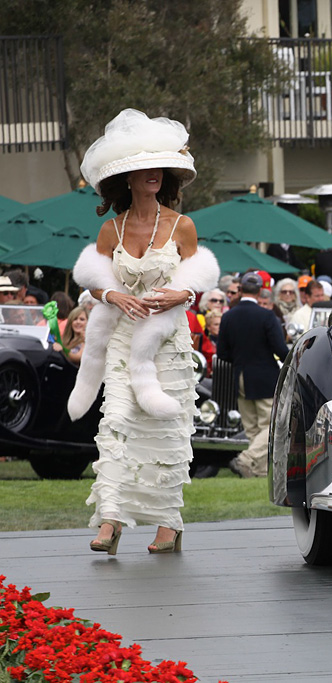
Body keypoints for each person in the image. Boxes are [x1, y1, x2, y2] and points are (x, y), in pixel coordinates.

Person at [70, 108, 220, 555]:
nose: (153, 174)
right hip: (119, 338)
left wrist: (182, 295)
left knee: (166, 432)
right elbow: (96, 279)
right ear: (127, 179)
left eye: (159, 168)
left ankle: (168, 524)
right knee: (116, 421)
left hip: (167, 344)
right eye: (143, 169)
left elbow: (197, 280)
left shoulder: (182, 226)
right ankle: (110, 519)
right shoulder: (109, 230)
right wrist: (112, 296)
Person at [217, 271, 290, 478]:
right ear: (260, 291)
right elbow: (280, 349)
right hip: (265, 375)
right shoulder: (267, 316)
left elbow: (222, 352)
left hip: (240, 374)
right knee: (271, 426)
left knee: (252, 428)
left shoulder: (228, 316)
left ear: (240, 290)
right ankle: (246, 460)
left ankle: (256, 470)